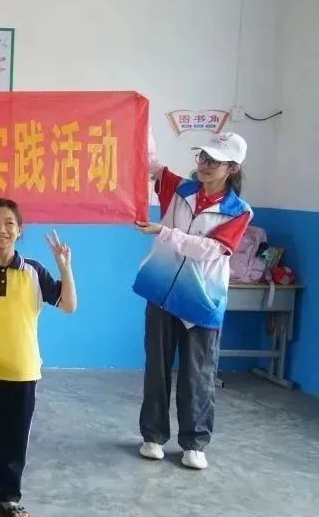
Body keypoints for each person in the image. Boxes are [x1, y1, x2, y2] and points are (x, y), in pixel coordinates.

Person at [133, 132, 252, 470]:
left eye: (214, 161)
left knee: (197, 373)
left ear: (232, 168)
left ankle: (195, 442)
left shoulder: (238, 212)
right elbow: (150, 164)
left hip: (201, 300)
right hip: (162, 291)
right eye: (203, 157)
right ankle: (153, 436)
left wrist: (164, 232)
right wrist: (141, 123)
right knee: (156, 367)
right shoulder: (180, 189)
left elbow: (210, 250)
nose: (205, 165)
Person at [0, 199, 77, 517]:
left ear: (20, 229)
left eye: (9, 223)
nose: (1, 229)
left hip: (23, 370)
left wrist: (64, 266)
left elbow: (69, 305)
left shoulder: (34, 271)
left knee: (15, 438)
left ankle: (9, 495)